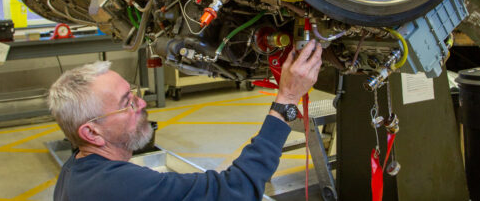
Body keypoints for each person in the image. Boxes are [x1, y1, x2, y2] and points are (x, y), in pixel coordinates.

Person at [48, 39, 323, 200]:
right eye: (127, 103)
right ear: (92, 133)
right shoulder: (119, 186)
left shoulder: (75, 171)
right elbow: (235, 191)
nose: (142, 103)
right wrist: (286, 99)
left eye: (134, 94)